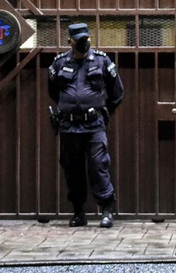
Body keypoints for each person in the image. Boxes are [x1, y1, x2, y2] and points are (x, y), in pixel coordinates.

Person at [48, 23, 124, 228]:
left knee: (99, 166)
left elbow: (117, 92)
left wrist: (105, 112)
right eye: (79, 39)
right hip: (69, 126)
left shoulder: (101, 60)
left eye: (86, 38)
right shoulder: (59, 63)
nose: (84, 42)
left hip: (93, 125)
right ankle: (78, 212)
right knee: (72, 169)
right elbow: (54, 92)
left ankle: (107, 210)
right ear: (69, 41)